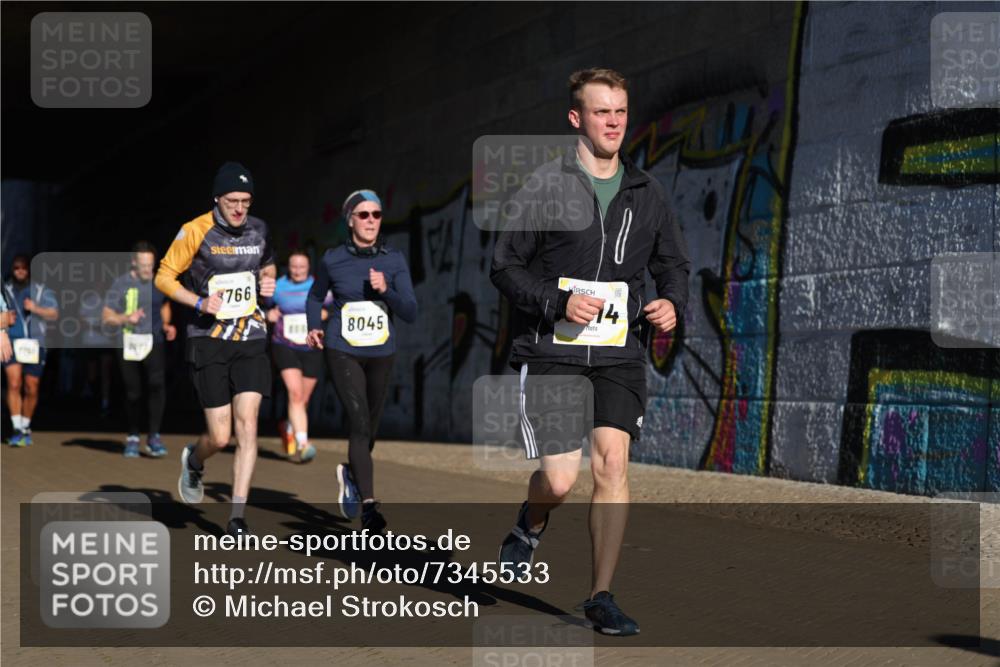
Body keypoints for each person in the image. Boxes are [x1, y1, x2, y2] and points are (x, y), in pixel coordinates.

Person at [490, 68, 690, 636]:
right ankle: (531, 522)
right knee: (558, 481)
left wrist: (672, 303)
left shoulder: (646, 192)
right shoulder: (546, 188)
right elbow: (504, 267)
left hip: (618, 353)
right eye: (602, 112)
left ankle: (601, 594)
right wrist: (557, 300)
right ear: (577, 118)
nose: (614, 122)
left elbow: (673, 264)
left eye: (621, 112)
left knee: (613, 464)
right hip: (553, 349)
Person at [155, 162, 276, 537]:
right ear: (217, 200)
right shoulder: (195, 230)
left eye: (246, 201)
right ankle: (194, 458)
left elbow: (267, 266)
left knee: (249, 426)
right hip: (208, 339)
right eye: (232, 201)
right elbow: (163, 276)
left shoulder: (259, 229)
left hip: (251, 337)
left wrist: (268, 283)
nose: (240, 209)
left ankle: (237, 518)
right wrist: (198, 303)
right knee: (220, 436)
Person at [306, 189, 417, 532]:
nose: (371, 221)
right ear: (350, 219)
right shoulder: (332, 259)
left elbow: (411, 311)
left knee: (369, 428)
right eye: (364, 214)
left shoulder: (394, 260)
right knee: (358, 422)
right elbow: (314, 297)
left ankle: (351, 474)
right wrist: (314, 327)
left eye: (377, 215)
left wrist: (387, 290)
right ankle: (370, 508)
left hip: (382, 352)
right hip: (342, 349)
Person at [103, 241, 177, 458]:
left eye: (150, 265)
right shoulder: (121, 284)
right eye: (143, 265)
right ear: (134, 263)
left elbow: (164, 305)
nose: (147, 270)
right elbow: (106, 316)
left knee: (157, 385)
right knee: (133, 391)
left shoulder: (159, 282)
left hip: (153, 340)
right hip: (128, 341)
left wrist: (166, 325)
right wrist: (127, 317)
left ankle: (153, 436)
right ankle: (133, 435)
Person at [265, 249, 327, 463]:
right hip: (284, 344)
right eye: (294, 266)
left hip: (311, 347)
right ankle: (303, 443)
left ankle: (288, 427)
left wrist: (325, 314)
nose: (298, 270)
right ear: (287, 267)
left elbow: (335, 309)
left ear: (309, 267)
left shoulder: (319, 287)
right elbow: (259, 308)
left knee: (304, 398)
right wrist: (267, 315)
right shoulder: (278, 287)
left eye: (302, 266)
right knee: (296, 394)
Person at [2, 255, 60, 447]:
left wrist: (36, 308)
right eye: (16, 267)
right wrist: (4, 319)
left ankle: (26, 426)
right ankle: (16, 427)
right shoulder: (5, 289)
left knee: (31, 386)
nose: (19, 271)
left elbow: (54, 313)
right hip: (12, 341)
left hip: (35, 342)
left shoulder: (41, 289)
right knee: (14, 382)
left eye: (23, 268)